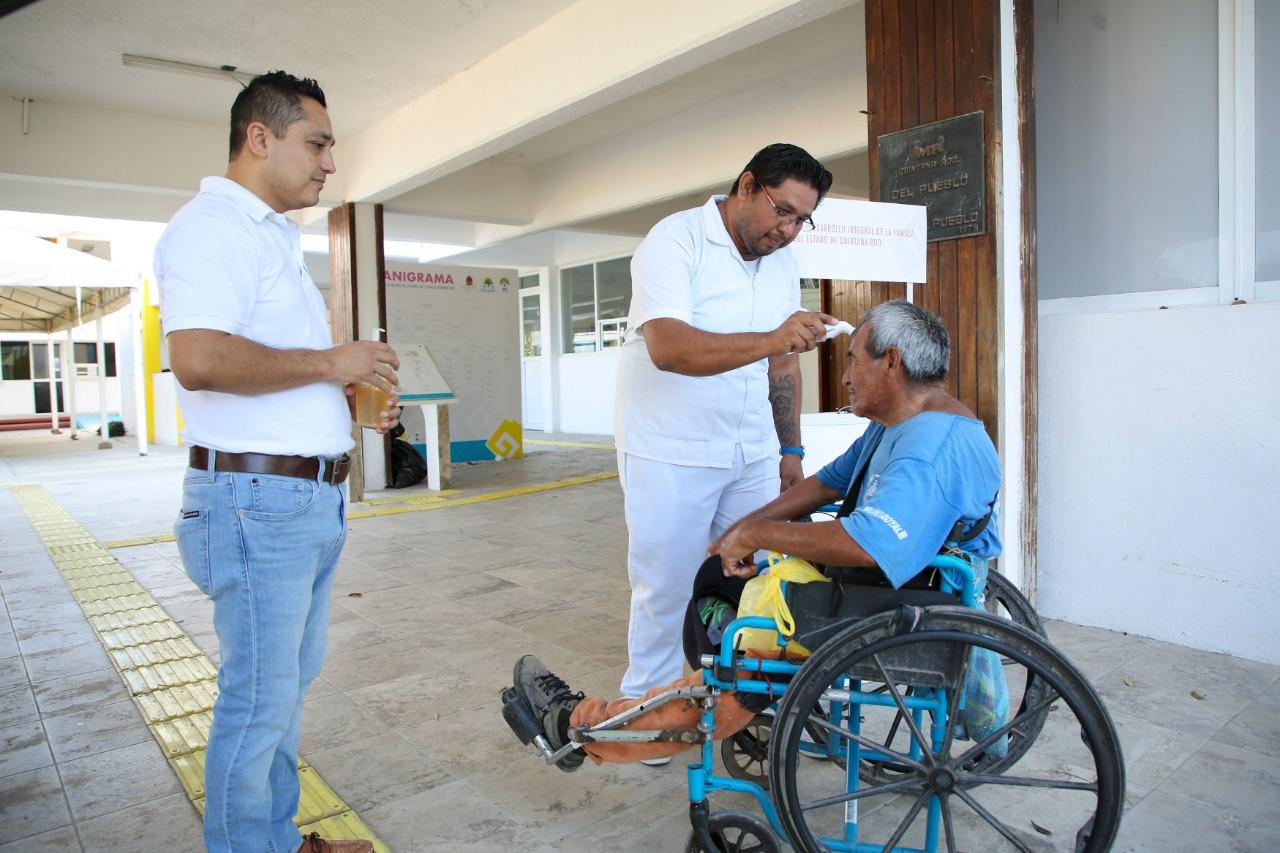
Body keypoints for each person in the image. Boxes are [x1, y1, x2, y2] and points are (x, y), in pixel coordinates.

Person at [505, 300, 1002, 769]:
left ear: (891, 362)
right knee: (716, 580)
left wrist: (763, 533)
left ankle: (581, 728)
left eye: (854, 362)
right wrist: (745, 530)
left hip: (894, 604)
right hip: (881, 589)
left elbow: (870, 543)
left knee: (740, 662)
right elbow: (827, 483)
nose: (847, 377)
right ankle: (721, 674)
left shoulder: (930, 446)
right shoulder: (901, 422)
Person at [155, 71, 399, 853]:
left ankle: (278, 839)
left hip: (299, 501)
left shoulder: (266, 235)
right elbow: (198, 358)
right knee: (259, 699)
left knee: (281, 693)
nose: (329, 164)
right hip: (256, 501)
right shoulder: (210, 228)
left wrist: (351, 401)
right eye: (318, 143)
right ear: (259, 137)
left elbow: (273, 368)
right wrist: (334, 362)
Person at [614, 144, 839, 733]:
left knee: (764, 574)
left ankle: (748, 707)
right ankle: (653, 713)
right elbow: (669, 346)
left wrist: (791, 450)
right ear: (746, 185)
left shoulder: (782, 261)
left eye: (801, 220)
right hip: (672, 449)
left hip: (753, 451)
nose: (788, 231)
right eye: (781, 211)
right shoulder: (676, 240)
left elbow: (784, 363)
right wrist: (772, 339)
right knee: (666, 587)